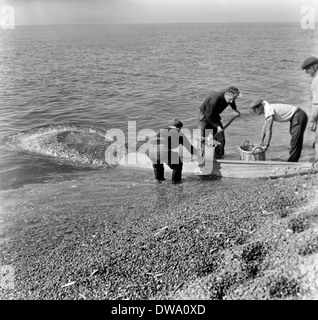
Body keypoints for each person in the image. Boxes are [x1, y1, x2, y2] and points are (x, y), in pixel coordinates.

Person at [148, 119, 203, 184]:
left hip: (150, 151)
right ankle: (176, 182)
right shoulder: (179, 133)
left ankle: (159, 180)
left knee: (158, 164)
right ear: (179, 128)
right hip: (162, 151)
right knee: (177, 165)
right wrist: (199, 158)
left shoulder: (161, 131)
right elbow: (189, 147)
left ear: (169, 125)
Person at [197, 86, 241, 158]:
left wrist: (235, 110)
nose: (231, 101)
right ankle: (203, 156)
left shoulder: (230, 98)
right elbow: (208, 115)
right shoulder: (214, 100)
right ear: (226, 94)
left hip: (214, 115)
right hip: (204, 116)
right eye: (230, 100)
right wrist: (217, 126)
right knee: (205, 137)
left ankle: (219, 155)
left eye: (233, 99)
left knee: (220, 136)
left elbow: (232, 102)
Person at [301, 56, 318, 159]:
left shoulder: (316, 81)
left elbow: (317, 104)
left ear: (314, 67)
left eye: (307, 69)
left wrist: (312, 120)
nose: (306, 72)